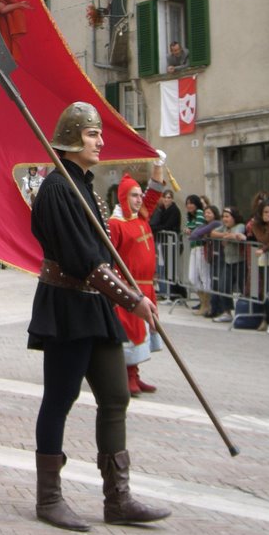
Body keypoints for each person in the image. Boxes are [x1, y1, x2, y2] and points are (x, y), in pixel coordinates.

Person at [28, 102, 170, 532]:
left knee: (115, 396)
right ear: (72, 138)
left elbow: (101, 253)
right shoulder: (57, 188)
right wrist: (132, 300)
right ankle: (49, 498)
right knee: (60, 398)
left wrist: (123, 297)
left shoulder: (83, 186)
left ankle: (117, 498)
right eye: (92, 134)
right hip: (68, 305)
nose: (101, 141)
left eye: (98, 134)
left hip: (94, 306)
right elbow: (83, 259)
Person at [108, 158, 166, 397]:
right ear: (123, 197)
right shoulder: (115, 224)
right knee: (131, 332)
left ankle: (135, 375)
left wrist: (159, 166)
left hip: (147, 287)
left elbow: (155, 192)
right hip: (129, 289)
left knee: (142, 332)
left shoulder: (141, 217)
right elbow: (110, 258)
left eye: (139, 195)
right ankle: (126, 377)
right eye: (133, 195)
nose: (139, 199)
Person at [246, 198, 269, 334]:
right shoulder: (256, 224)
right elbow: (265, 239)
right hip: (264, 261)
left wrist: (266, 247)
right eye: (266, 212)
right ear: (261, 212)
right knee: (268, 292)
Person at [150, 188, 182, 299]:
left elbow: (168, 226)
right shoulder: (162, 209)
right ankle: (164, 291)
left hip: (171, 241)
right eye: (165, 197)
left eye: (169, 197)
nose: (166, 200)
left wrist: (155, 228)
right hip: (164, 241)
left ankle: (170, 292)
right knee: (162, 266)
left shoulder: (174, 210)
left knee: (170, 267)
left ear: (172, 199)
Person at [184, 194, 210, 315]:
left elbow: (198, 227)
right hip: (193, 247)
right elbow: (188, 228)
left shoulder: (200, 212)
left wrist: (190, 230)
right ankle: (203, 302)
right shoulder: (190, 216)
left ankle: (206, 305)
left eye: (192, 203)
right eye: (188, 203)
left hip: (200, 247)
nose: (189, 206)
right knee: (192, 278)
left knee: (204, 276)